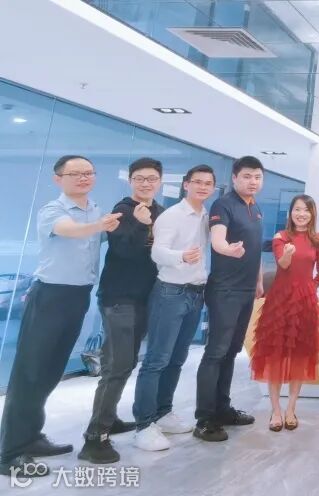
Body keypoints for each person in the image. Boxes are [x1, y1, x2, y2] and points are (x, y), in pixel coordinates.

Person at [1, 155, 121, 478]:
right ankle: (9, 453)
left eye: (88, 172)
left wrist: (113, 227)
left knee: (51, 371)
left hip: (77, 297)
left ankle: (30, 437)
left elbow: (95, 235)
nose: (83, 177)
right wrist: (100, 226)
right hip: (49, 297)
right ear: (58, 179)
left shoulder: (94, 209)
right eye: (75, 173)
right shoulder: (53, 210)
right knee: (29, 373)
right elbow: (69, 231)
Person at [78, 157, 165, 464]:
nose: (146, 183)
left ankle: (109, 419)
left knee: (121, 364)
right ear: (130, 181)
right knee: (118, 365)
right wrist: (140, 225)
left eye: (151, 178)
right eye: (140, 178)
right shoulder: (123, 210)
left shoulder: (160, 212)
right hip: (118, 299)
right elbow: (123, 251)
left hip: (143, 298)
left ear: (159, 181)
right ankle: (94, 438)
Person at [131, 165, 215, 452]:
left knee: (178, 358)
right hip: (170, 293)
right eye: (197, 182)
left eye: (208, 183)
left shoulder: (206, 216)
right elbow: (157, 252)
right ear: (185, 185)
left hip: (195, 293)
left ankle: (163, 412)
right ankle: (144, 425)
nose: (202, 187)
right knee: (157, 359)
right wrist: (182, 256)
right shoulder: (172, 215)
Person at [194, 156, 265, 442]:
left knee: (232, 351)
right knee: (216, 352)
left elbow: (255, 248)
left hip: (247, 290)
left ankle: (222, 409)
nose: (252, 181)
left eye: (257, 177)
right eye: (247, 176)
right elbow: (218, 239)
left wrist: (258, 280)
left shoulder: (255, 207)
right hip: (225, 290)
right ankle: (204, 419)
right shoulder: (223, 205)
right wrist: (227, 249)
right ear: (235, 178)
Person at [250, 195, 319, 432]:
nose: (301, 214)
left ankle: (291, 409)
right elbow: (283, 265)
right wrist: (287, 253)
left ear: (312, 214)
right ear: (290, 213)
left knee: (300, 355)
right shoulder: (281, 237)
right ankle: (275, 410)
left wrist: (310, 288)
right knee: (275, 354)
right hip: (280, 302)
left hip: (304, 304)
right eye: (297, 209)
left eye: (306, 210)